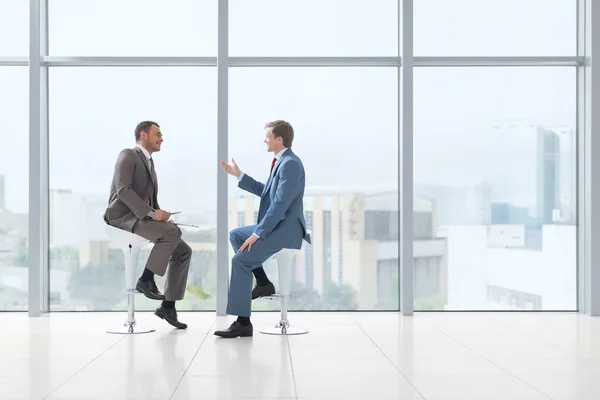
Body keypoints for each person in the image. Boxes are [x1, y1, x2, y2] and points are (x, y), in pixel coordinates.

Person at [214, 120, 310, 338]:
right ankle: (264, 282)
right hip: (278, 225)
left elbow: (280, 204)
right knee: (236, 235)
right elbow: (266, 192)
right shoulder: (281, 162)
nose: (264, 140)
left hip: (286, 229)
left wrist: (258, 233)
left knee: (240, 260)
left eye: (267, 136)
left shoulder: (290, 164)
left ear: (279, 139)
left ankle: (243, 323)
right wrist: (239, 175)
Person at [104, 121, 191, 329]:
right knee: (173, 232)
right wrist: (152, 213)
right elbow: (123, 191)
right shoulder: (128, 155)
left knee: (183, 251)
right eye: (157, 134)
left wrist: (159, 216)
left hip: (142, 218)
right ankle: (145, 279)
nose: (162, 138)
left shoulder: (150, 163)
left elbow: (151, 201)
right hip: (122, 218)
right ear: (143, 135)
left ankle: (168, 306)